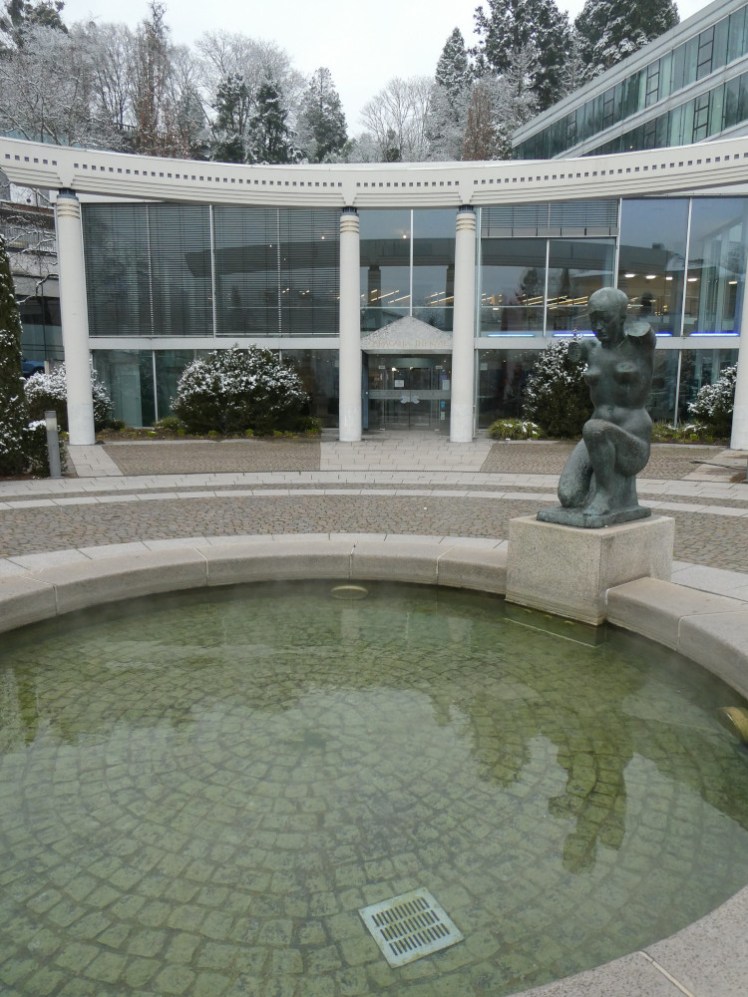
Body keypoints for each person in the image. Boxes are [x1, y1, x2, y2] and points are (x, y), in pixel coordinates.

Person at [538, 287, 656, 527]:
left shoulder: (640, 347)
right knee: (569, 495)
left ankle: (606, 495)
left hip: (632, 441)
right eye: (593, 320)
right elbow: (578, 350)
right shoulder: (593, 350)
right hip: (596, 438)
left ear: (622, 317)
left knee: (593, 429)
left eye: (605, 319)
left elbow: (646, 333)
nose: (598, 327)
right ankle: (599, 493)